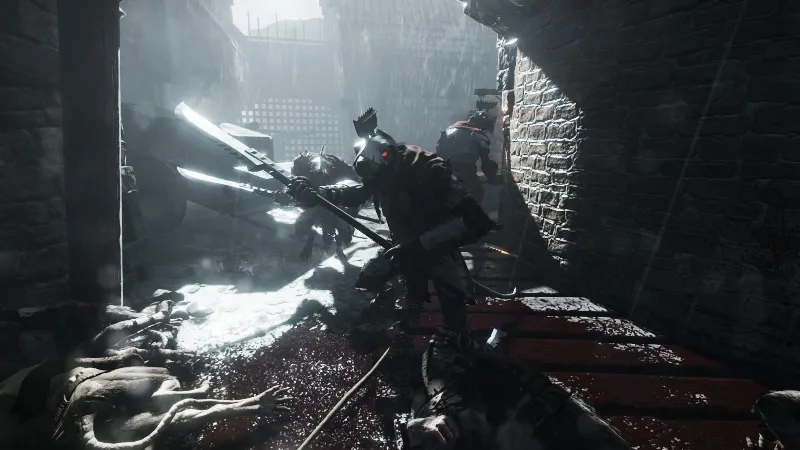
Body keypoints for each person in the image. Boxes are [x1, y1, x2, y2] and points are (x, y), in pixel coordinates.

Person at [286, 108, 497, 337]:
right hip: (405, 243)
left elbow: (476, 221)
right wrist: (320, 194)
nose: (376, 186)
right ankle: (408, 327)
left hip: (438, 244)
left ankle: (459, 341)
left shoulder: (430, 170)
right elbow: (359, 193)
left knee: (452, 301)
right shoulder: (384, 169)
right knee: (388, 282)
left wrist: (419, 245)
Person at [288, 148, 362, 260]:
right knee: (304, 224)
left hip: (340, 195)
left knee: (343, 227)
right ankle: (331, 244)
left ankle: (339, 247)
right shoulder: (304, 166)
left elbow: (355, 187)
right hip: (323, 196)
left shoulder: (328, 168)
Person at [435, 110, 501, 204]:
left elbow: (438, 154)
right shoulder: (479, 135)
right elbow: (485, 164)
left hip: (445, 172)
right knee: (476, 194)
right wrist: (493, 179)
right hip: (466, 174)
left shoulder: (447, 131)